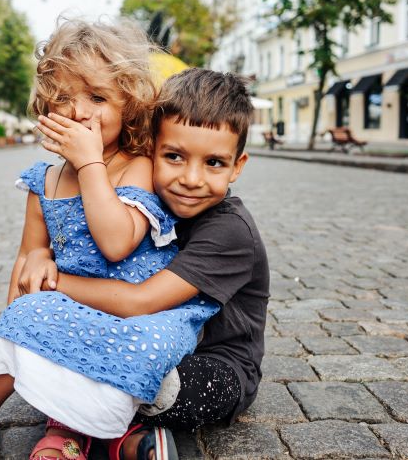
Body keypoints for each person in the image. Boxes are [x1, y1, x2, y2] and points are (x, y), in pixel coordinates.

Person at [0, 20, 219, 460]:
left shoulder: (136, 167)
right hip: (68, 306)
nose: (79, 112)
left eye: (97, 97)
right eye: (64, 98)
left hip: (132, 313)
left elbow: (116, 243)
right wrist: (22, 303)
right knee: (24, 317)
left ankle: (69, 429)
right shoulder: (45, 182)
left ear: (128, 104)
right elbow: (26, 258)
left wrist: (91, 164)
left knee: (126, 354)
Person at [26, 68, 270, 459]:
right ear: (150, 149)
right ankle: (119, 429)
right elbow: (80, 251)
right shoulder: (138, 200)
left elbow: (139, 301)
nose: (191, 179)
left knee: (153, 379)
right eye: (174, 156)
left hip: (214, 364)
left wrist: (52, 283)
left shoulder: (230, 231)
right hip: (147, 339)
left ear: (237, 166)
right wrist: (40, 253)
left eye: (214, 163)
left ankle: (121, 433)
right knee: (100, 358)